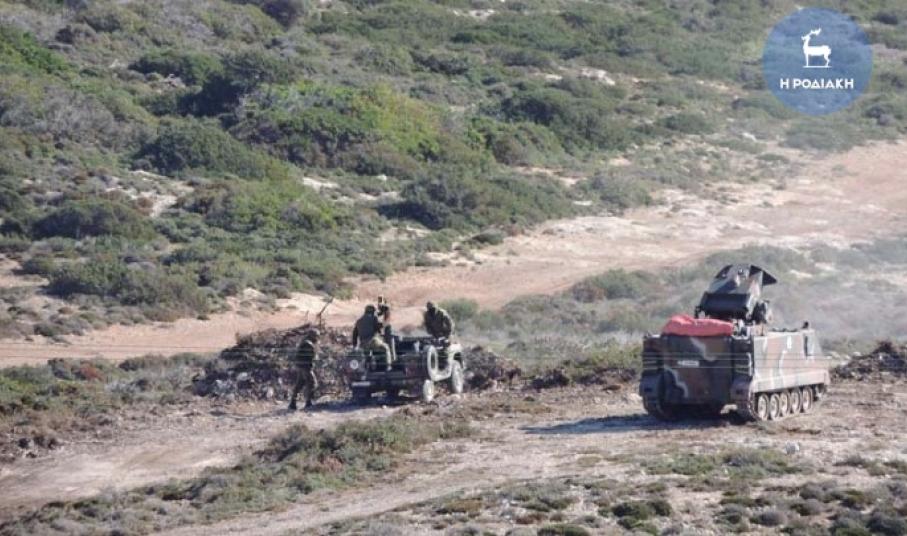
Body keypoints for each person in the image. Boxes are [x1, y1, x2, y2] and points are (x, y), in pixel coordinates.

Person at [352, 304, 393, 370]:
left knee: (367, 355)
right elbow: (380, 326)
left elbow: (354, 334)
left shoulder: (359, 321)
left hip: (363, 344)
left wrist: (354, 345)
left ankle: (367, 368)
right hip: (372, 341)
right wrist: (387, 314)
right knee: (386, 348)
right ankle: (388, 366)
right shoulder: (373, 318)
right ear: (373, 311)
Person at [289, 329, 319, 411]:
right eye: (316, 336)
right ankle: (308, 402)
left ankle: (293, 403)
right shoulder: (308, 344)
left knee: (299, 384)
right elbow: (311, 357)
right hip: (306, 367)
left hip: (301, 367)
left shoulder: (304, 342)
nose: (317, 338)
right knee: (312, 383)